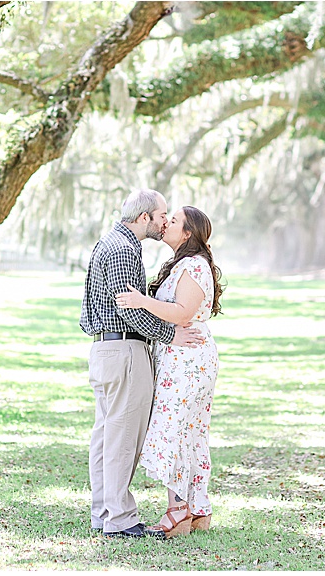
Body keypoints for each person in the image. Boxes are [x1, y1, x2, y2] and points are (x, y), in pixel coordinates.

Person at [79, 189, 203, 539]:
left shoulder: (113, 243)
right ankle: (118, 519)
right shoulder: (122, 250)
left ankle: (103, 514)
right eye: (162, 215)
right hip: (123, 353)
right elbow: (130, 311)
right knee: (122, 439)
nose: (165, 221)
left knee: (106, 436)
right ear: (144, 217)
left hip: (107, 351)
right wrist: (171, 335)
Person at [115, 205, 224, 539]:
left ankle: (178, 512)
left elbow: (181, 312)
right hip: (181, 358)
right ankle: (197, 509)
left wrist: (140, 301)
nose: (165, 223)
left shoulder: (194, 265)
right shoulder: (182, 263)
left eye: (173, 221)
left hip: (187, 361)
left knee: (175, 430)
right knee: (189, 432)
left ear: (188, 233)